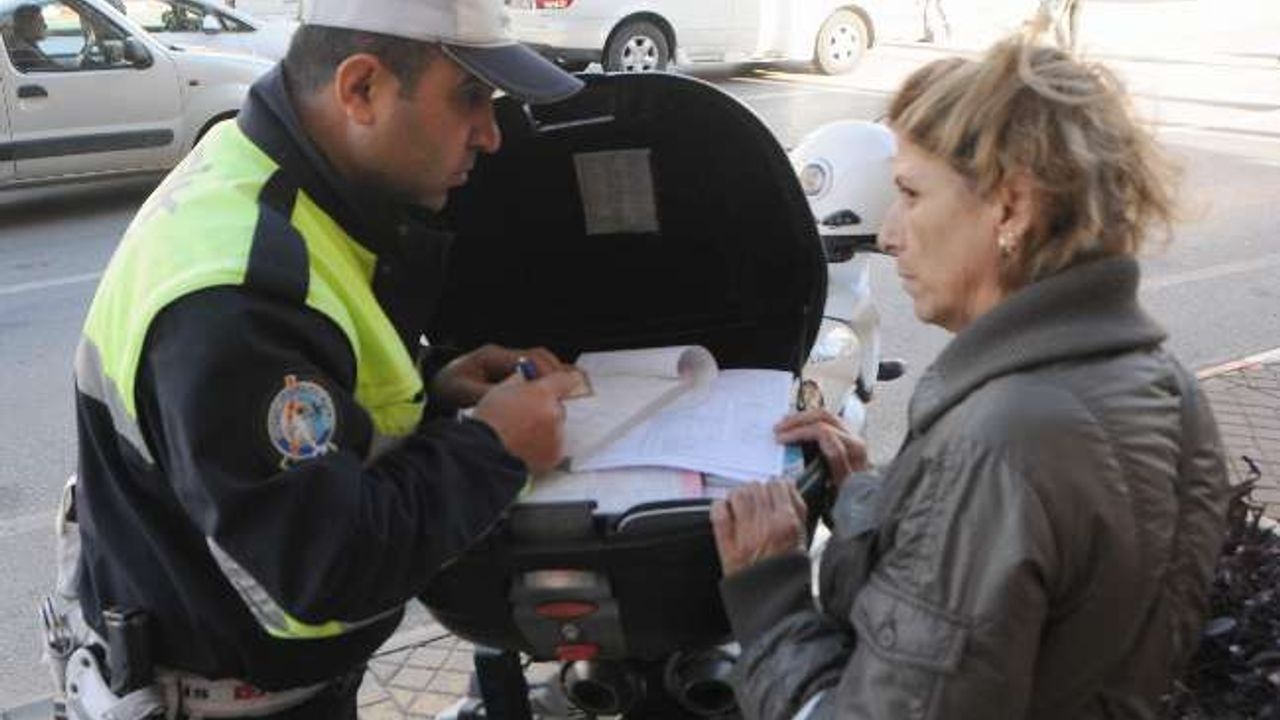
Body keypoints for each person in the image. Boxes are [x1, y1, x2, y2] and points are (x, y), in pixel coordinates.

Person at [68, 0, 585, 716]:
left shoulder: (268, 170)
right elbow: (324, 568)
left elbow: (303, 399)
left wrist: (435, 391)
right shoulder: (237, 296)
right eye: (470, 96)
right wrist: (495, 450)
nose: (491, 134)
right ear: (361, 88)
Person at [711, 36, 1229, 719]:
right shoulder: (1168, 386)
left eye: (909, 193)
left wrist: (768, 592)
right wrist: (866, 501)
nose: (889, 234)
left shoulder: (998, 446)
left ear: (1011, 208)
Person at [5, 3, 55, 71]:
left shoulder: (28, 46)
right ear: (27, 25)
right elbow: (53, 70)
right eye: (40, 21)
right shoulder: (25, 53)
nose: (45, 26)